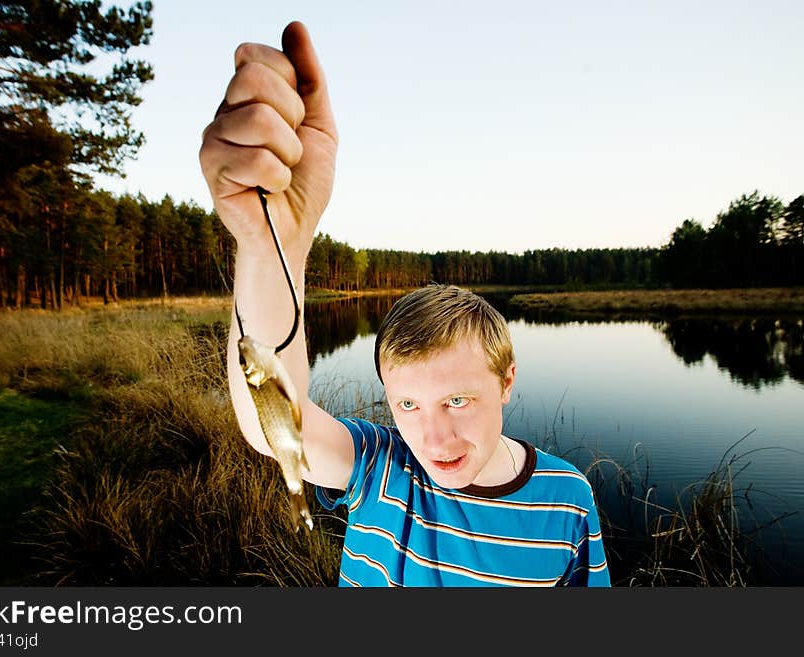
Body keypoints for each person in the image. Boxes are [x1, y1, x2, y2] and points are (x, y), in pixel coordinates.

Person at [199, 21, 610, 587]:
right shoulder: (381, 467)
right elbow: (273, 427)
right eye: (408, 405)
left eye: (459, 399)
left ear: (507, 381)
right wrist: (272, 245)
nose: (434, 440)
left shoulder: (568, 502)